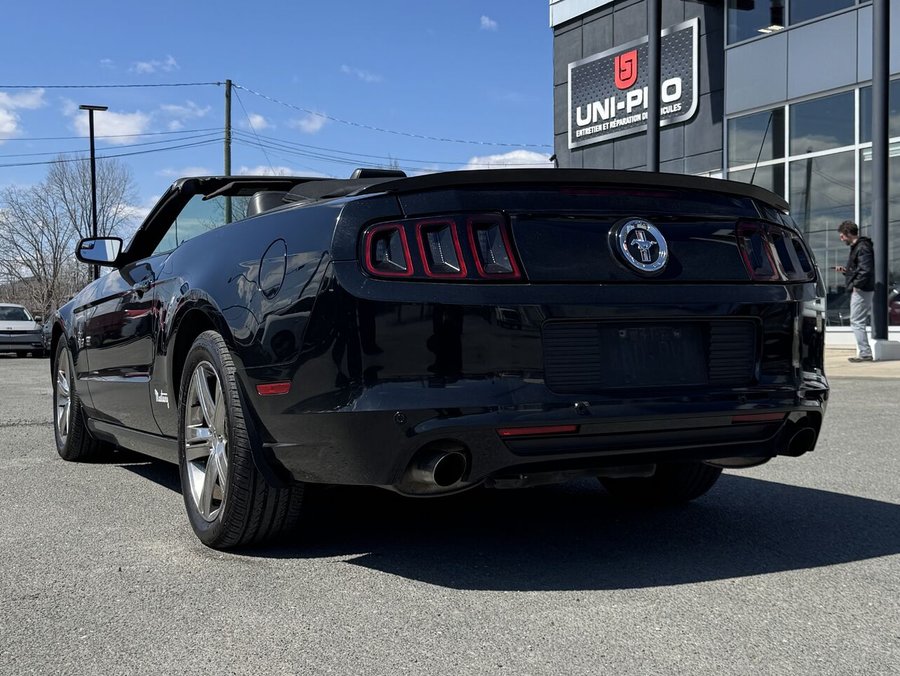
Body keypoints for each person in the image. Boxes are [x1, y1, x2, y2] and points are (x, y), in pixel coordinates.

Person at [835, 220, 875, 362]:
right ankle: (864, 352)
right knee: (858, 321)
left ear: (848, 233)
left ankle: (865, 353)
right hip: (861, 288)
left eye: (842, 236)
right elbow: (859, 270)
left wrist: (856, 285)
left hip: (862, 289)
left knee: (856, 321)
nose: (841, 239)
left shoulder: (862, 247)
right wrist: (846, 272)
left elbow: (866, 270)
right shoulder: (858, 247)